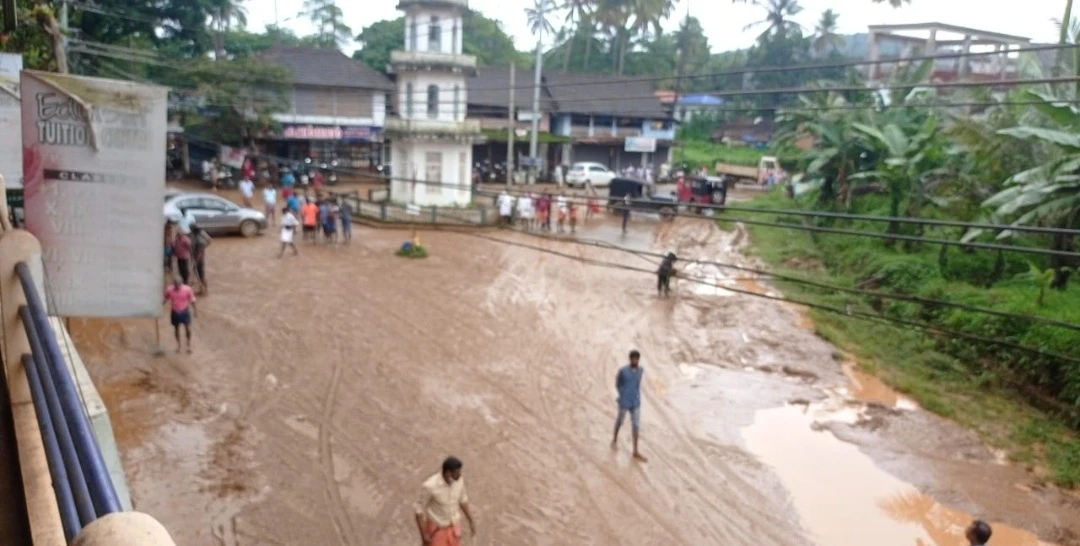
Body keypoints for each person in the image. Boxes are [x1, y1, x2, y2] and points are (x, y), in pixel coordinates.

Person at [414, 456, 476, 546]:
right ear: (448, 473)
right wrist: (424, 534)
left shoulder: (459, 481)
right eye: (457, 473)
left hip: (454, 529)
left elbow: (463, 500)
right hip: (437, 530)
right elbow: (418, 510)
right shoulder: (430, 486)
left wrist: (470, 520)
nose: (459, 476)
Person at [612, 349, 646, 461]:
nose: (635, 360)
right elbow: (617, 383)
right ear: (630, 359)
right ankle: (615, 438)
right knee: (620, 421)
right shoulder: (623, 371)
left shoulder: (641, 371)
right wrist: (622, 393)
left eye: (637, 359)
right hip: (624, 401)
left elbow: (637, 384)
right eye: (633, 358)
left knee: (636, 425)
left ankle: (635, 451)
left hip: (635, 402)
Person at [163, 277, 196, 354]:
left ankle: (188, 345)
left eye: (178, 284)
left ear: (181, 283)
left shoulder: (187, 289)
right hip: (175, 311)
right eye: (176, 284)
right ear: (174, 284)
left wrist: (195, 311)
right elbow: (165, 299)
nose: (177, 286)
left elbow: (193, 300)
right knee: (176, 329)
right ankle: (178, 345)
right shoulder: (169, 289)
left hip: (184, 311)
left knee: (187, 329)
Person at [191, 225, 212, 295]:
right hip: (200, 259)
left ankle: (205, 291)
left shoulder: (198, 240)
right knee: (200, 275)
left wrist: (195, 262)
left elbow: (199, 253)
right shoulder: (200, 237)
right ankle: (203, 290)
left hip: (199, 260)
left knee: (201, 275)